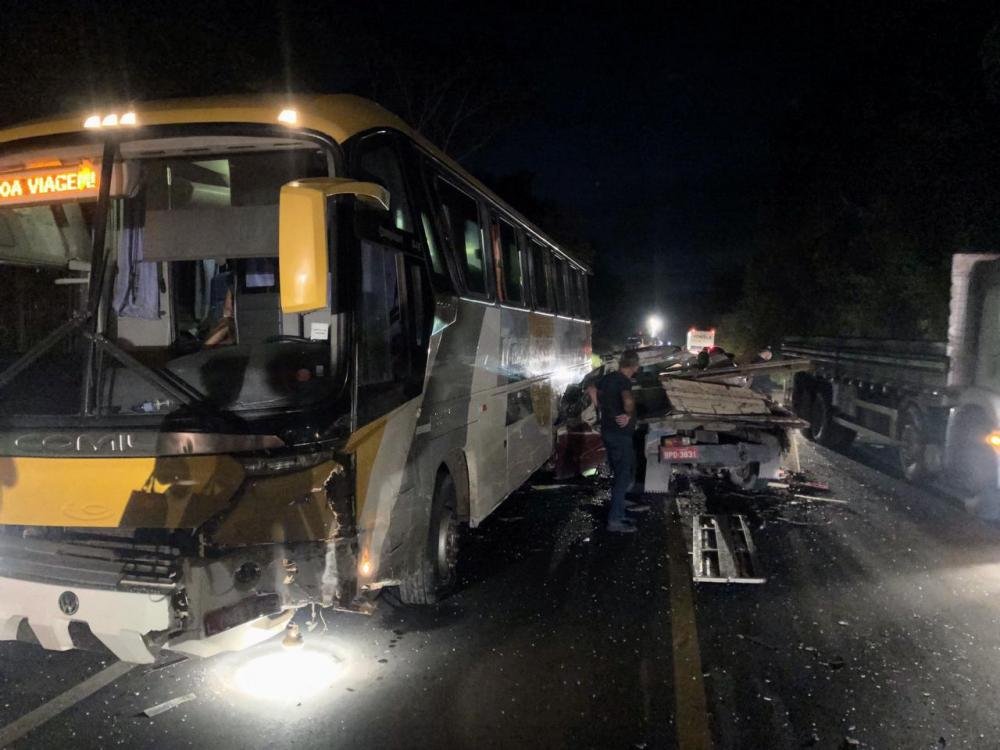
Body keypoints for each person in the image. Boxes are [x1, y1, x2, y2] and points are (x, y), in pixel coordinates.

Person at [594, 350, 648, 533]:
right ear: (635, 366)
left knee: (620, 473)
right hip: (620, 435)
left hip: (608, 432)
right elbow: (628, 400)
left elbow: (591, 389)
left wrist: (600, 408)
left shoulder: (608, 378)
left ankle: (620, 508)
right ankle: (615, 520)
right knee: (623, 475)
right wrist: (628, 414)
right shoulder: (624, 381)